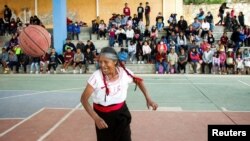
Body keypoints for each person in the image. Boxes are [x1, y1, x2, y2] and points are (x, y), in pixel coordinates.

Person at [80, 47, 158, 141]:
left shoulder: (124, 73)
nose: (102, 65)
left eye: (106, 62)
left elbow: (139, 81)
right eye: (100, 62)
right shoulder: (96, 77)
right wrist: (96, 118)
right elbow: (83, 99)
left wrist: (148, 98)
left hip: (121, 113)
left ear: (115, 62)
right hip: (103, 116)